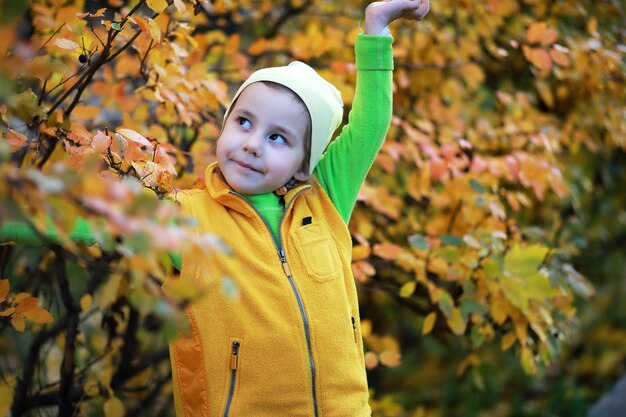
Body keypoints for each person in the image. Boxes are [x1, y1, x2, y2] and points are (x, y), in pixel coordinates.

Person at [1, 1, 430, 415]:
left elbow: (370, 125)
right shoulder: (188, 219)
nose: (251, 143)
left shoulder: (325, 200)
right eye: (244, 122)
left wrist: (376, 28)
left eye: (277, 137)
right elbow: (87, 220)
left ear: (305, 164)